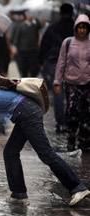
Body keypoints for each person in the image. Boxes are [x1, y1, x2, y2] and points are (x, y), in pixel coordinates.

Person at [54, 14, 90, 153]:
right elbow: (61, 63)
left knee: (87, 113)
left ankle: (85, 140)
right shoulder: (68, 42)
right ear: (76, 28)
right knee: (72, 111)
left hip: (88, 84)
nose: (82, 30)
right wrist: (57, 81)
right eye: (80, 27)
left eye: (84, 28)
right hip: (72, 84)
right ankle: (71, 137)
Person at [38, 3, 74, 133]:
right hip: (73, 63)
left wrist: (41, 61)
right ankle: (73, 121)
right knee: (73, 92)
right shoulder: (78, 28)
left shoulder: (53, 28)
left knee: (58, 92)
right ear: (72, 13)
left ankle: (61, 123)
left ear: (60, 13)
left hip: (55, 62)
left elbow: (44, 45)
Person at [12, 11, 42, 78]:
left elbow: (40, 31)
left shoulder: (36, 25)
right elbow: (17, 37)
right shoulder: (21, 26)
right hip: (23, 50)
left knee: (33, 68)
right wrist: (14, 47)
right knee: (24, 68)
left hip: (33, 50)